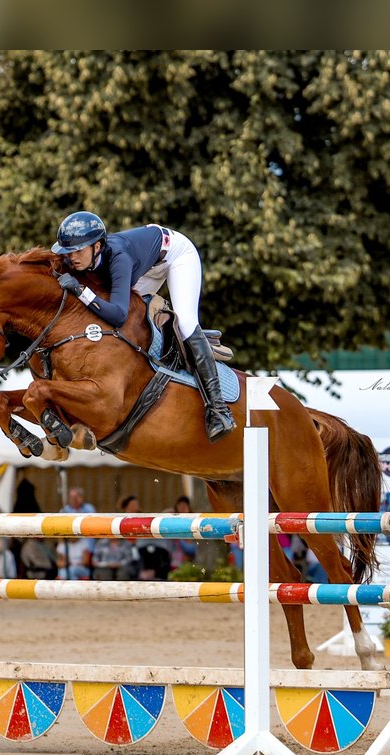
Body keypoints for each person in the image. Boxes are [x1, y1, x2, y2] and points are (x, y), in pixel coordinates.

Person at [51, 211, 235, 443]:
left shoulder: (118, 257)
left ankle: (219, 411)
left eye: (78, 250)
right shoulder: (82, 259)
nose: (72, 258)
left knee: (186, 322)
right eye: (69, 252)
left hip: (176, 256)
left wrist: (80, 291)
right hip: (145, 264)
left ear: (97, 246)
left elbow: (117, 315)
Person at [91, 495, 141, 581]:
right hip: (105, 568)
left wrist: (118, 564)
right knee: (104, 573)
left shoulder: (140, 519)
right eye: (132, 505)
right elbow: (95, 560)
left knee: (123, 572)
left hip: (126, 561)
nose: (135, 508)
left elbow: (129, 558)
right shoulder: (102, 543)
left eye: (136, 505)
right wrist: (107, 564)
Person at [55, 486, 96, 580]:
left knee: (71, 571)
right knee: (65, 571)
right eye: (72, 498)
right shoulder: (64, 511)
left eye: (76, 497)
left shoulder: (89, 509)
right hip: (69, 544)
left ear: (81, 497)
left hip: (89, 545)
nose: (74, 500)